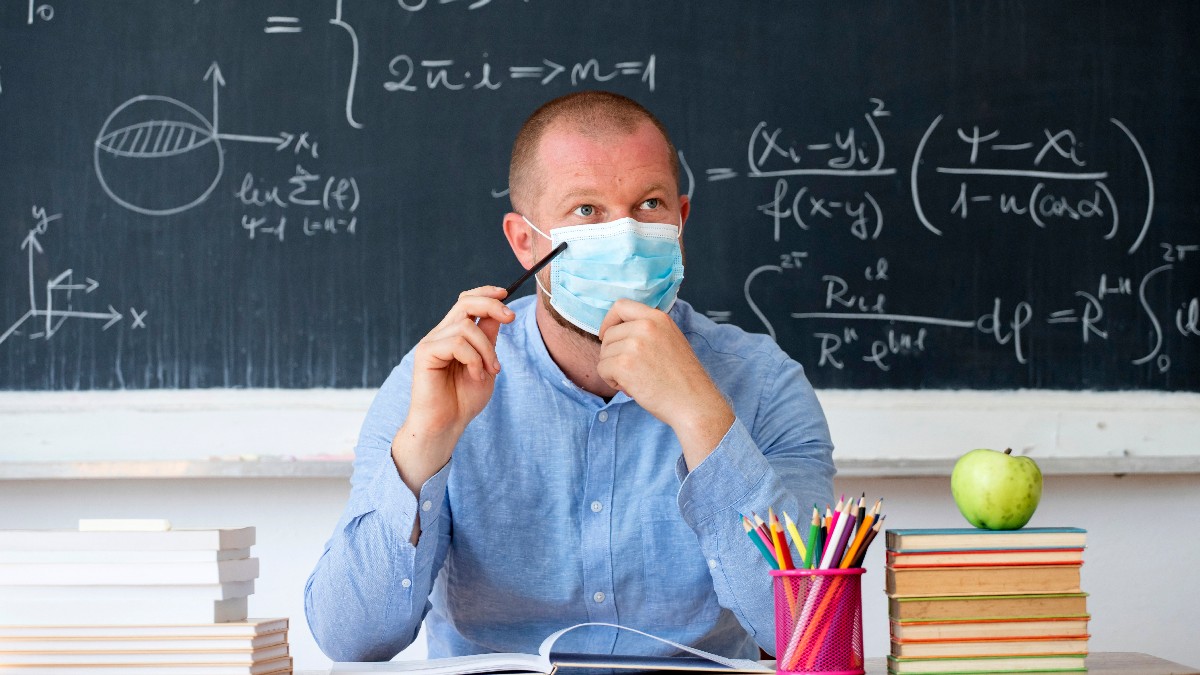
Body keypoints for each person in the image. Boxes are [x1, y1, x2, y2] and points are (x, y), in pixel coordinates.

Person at [304, 90, 835, 663]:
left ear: (681, 221)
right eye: (586, 211)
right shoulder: (439, 379)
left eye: (650, 203)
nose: (626, 236)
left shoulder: (764, 382)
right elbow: (351, 640)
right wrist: (425, 443)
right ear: (524, 240)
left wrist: (701, 417)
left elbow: (812, 633)